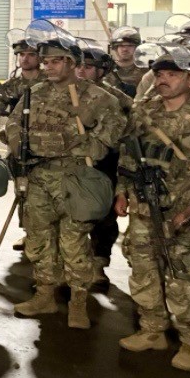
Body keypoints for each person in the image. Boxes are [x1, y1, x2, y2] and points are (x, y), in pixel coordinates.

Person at [115, 46, 190, 372]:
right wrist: (122, 191)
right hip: (143, 206)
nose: (163, 80)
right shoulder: (145, 110)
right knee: (143, 268)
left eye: (173, 75)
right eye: (160, 74)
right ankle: (152, 329)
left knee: (183, 277)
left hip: (183, 212)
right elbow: (129, 153)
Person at [8, 32, 124, 328]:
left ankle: (78, 303)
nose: (48, 67)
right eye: (46, 62)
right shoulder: (34, 92)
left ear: (72, 63)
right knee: (39, 240)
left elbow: (113, 131)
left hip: (75, 179)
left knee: (74, 245)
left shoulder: (97, 97)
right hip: (38, 177)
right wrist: (19, 145)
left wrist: (89, 144)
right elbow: (13, 124)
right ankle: (44, 296)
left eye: (56, 61)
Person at [78, 46, 129, 288]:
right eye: (78, 66)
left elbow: (130, 124)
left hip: (105, 163)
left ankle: (99, 263)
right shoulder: (65, 93)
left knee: (104, 217)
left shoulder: (115, 97)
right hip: (72, 164)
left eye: (88, 67)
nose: (81, 71)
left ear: (102, 71)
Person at [0, 32, 46, 253]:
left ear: (39, 57)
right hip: (19, 146)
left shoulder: (47, 83)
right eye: (22, 54)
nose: (25, 58)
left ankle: (44, 234)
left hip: (46, 145)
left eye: (30, 54)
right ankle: (28, 233)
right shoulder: (11, 85)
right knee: (22, 190)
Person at [107, 26, 147, 97]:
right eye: (121, 46)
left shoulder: (145, 71)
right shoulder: (107, 70)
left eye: (130, 45)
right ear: (116, 48)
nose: (125, 49)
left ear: (137, 48)